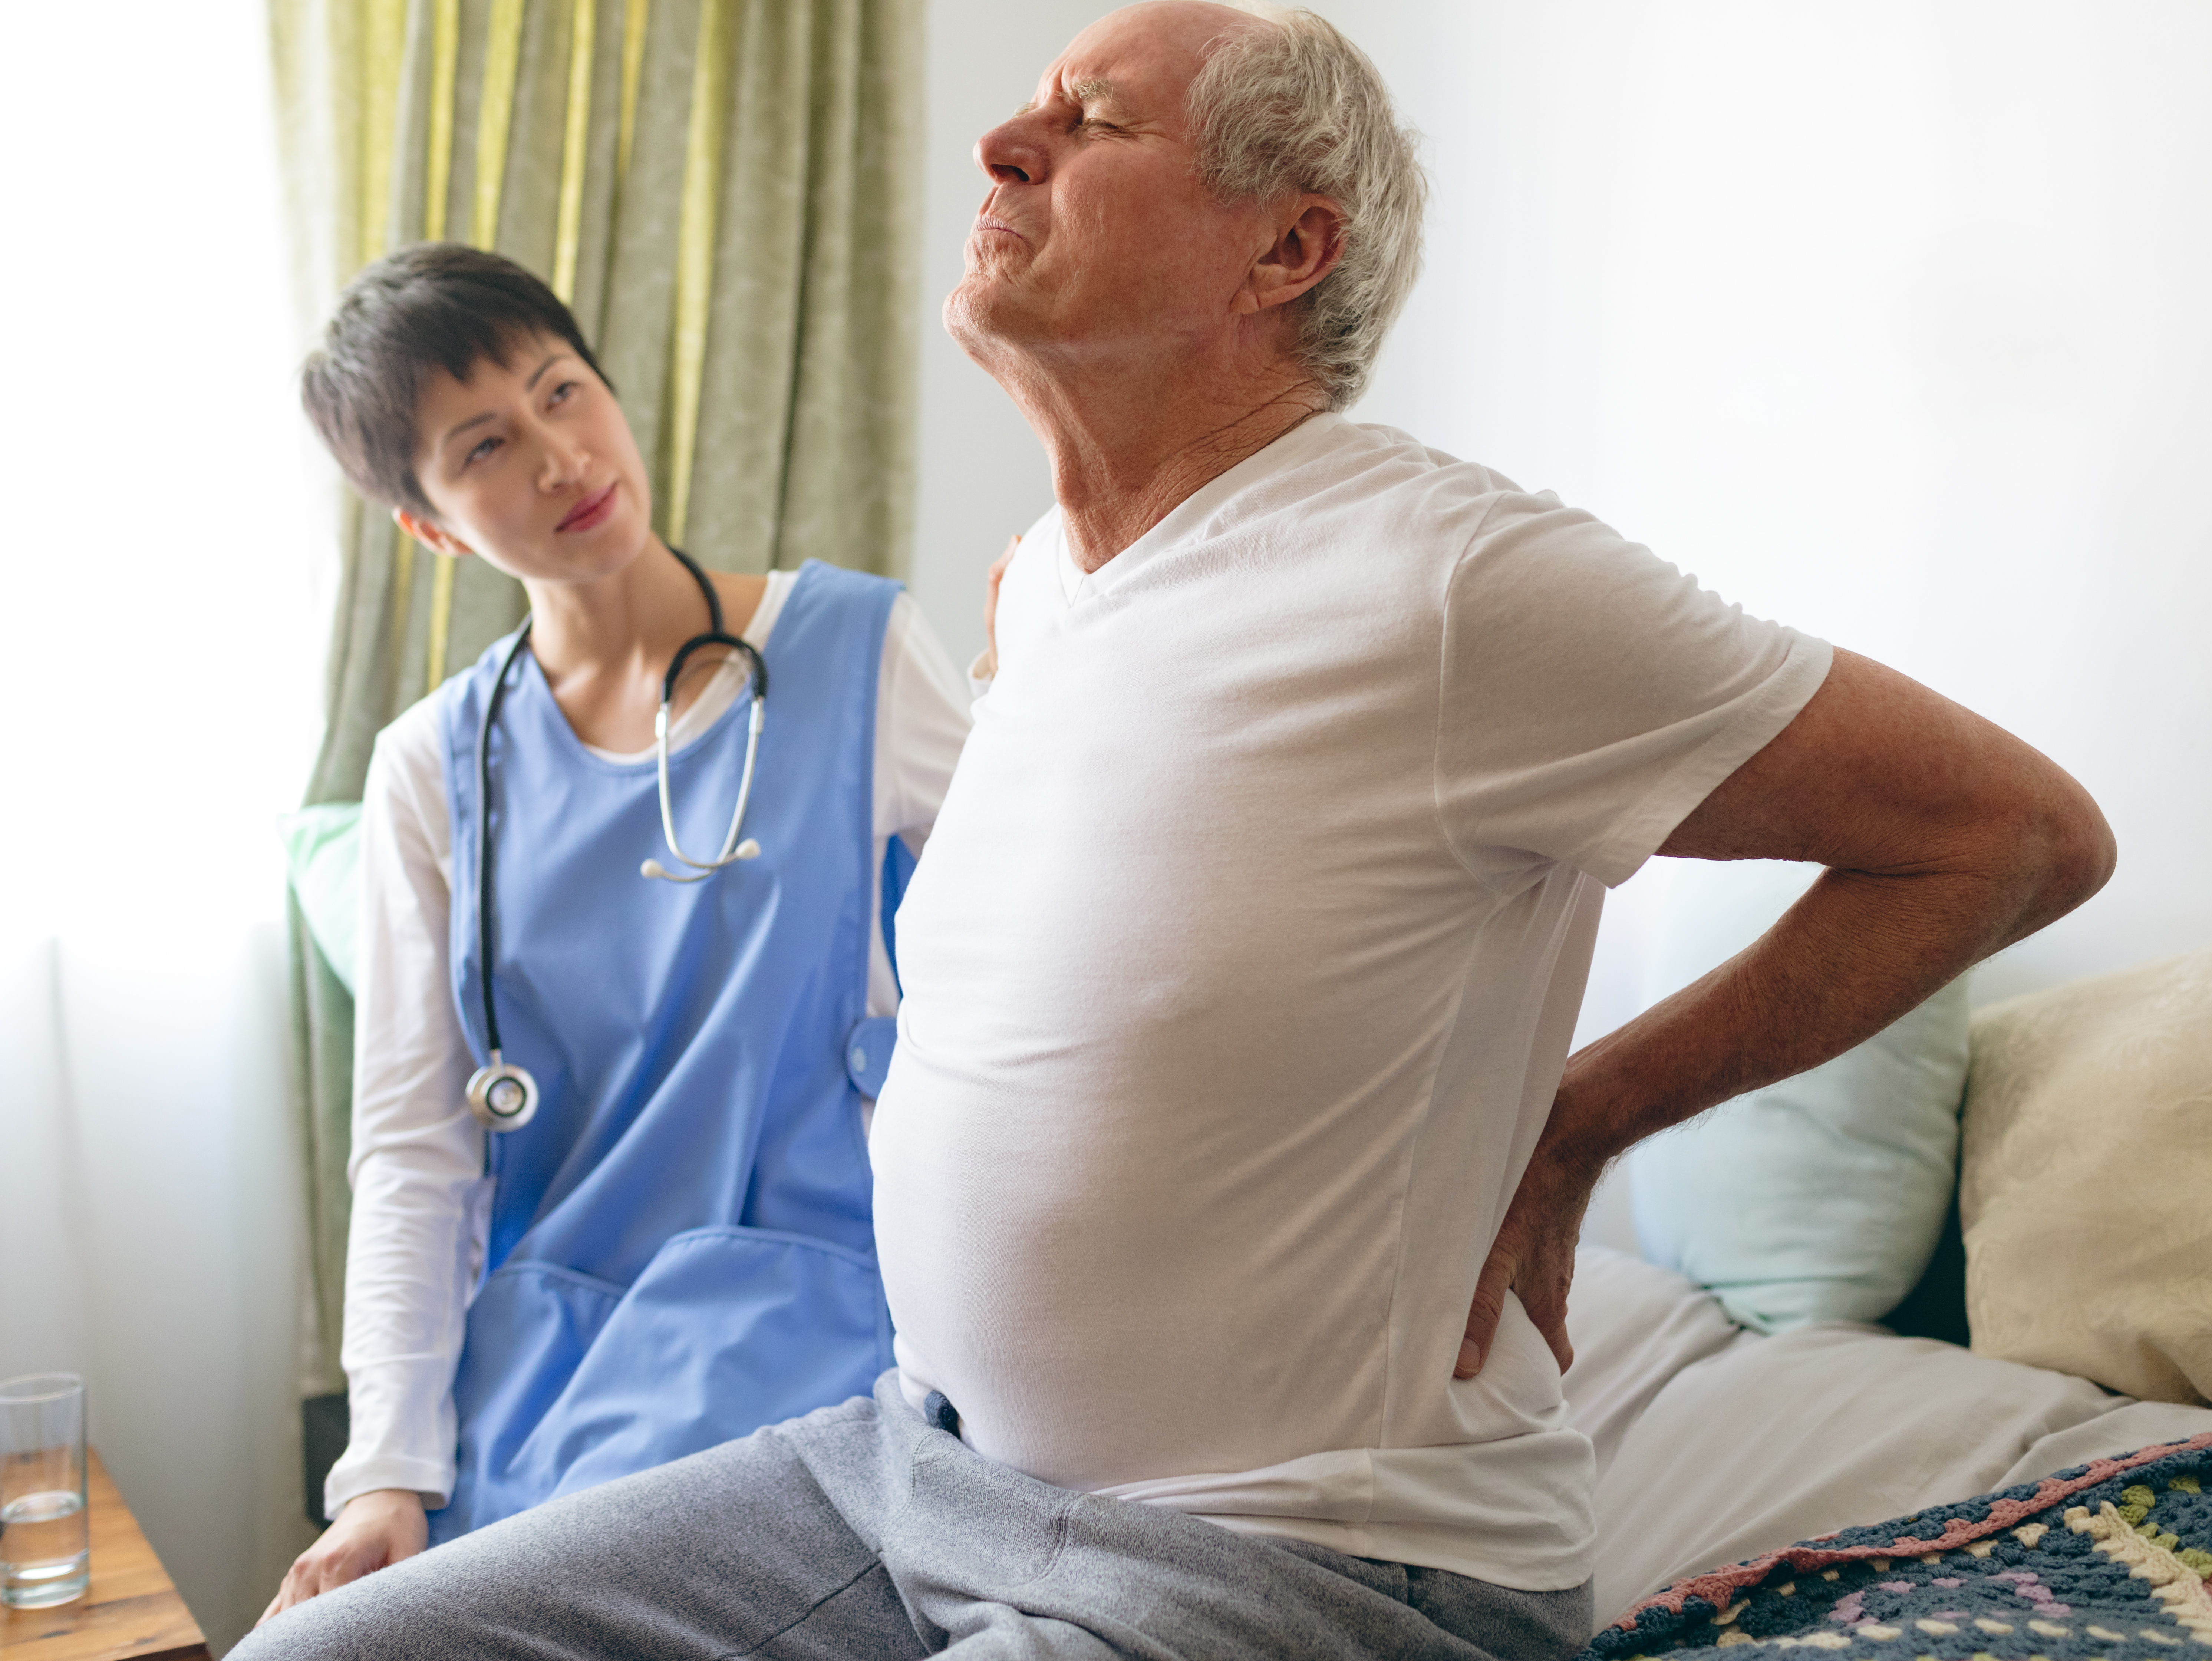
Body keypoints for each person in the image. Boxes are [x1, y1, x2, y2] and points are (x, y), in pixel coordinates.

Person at [234, 5, 2113, 1657]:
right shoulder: (1037, 589)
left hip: (1291, 1555)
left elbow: (2016, 836)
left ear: (1285, 247)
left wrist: (1584, 1118)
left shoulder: (1451, 577)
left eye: (1092, 119)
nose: (999, 140)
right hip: (914, 1466)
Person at [258, 244, 972, 1618]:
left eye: (563, 391)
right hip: (540, 1369)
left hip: (810, 1333)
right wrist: (383, 1474)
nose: (559, 455)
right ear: (430, 525)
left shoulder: (858, 650)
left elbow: (1051, 941)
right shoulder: (432, 771)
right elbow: (415, 1149)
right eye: (486, 444)